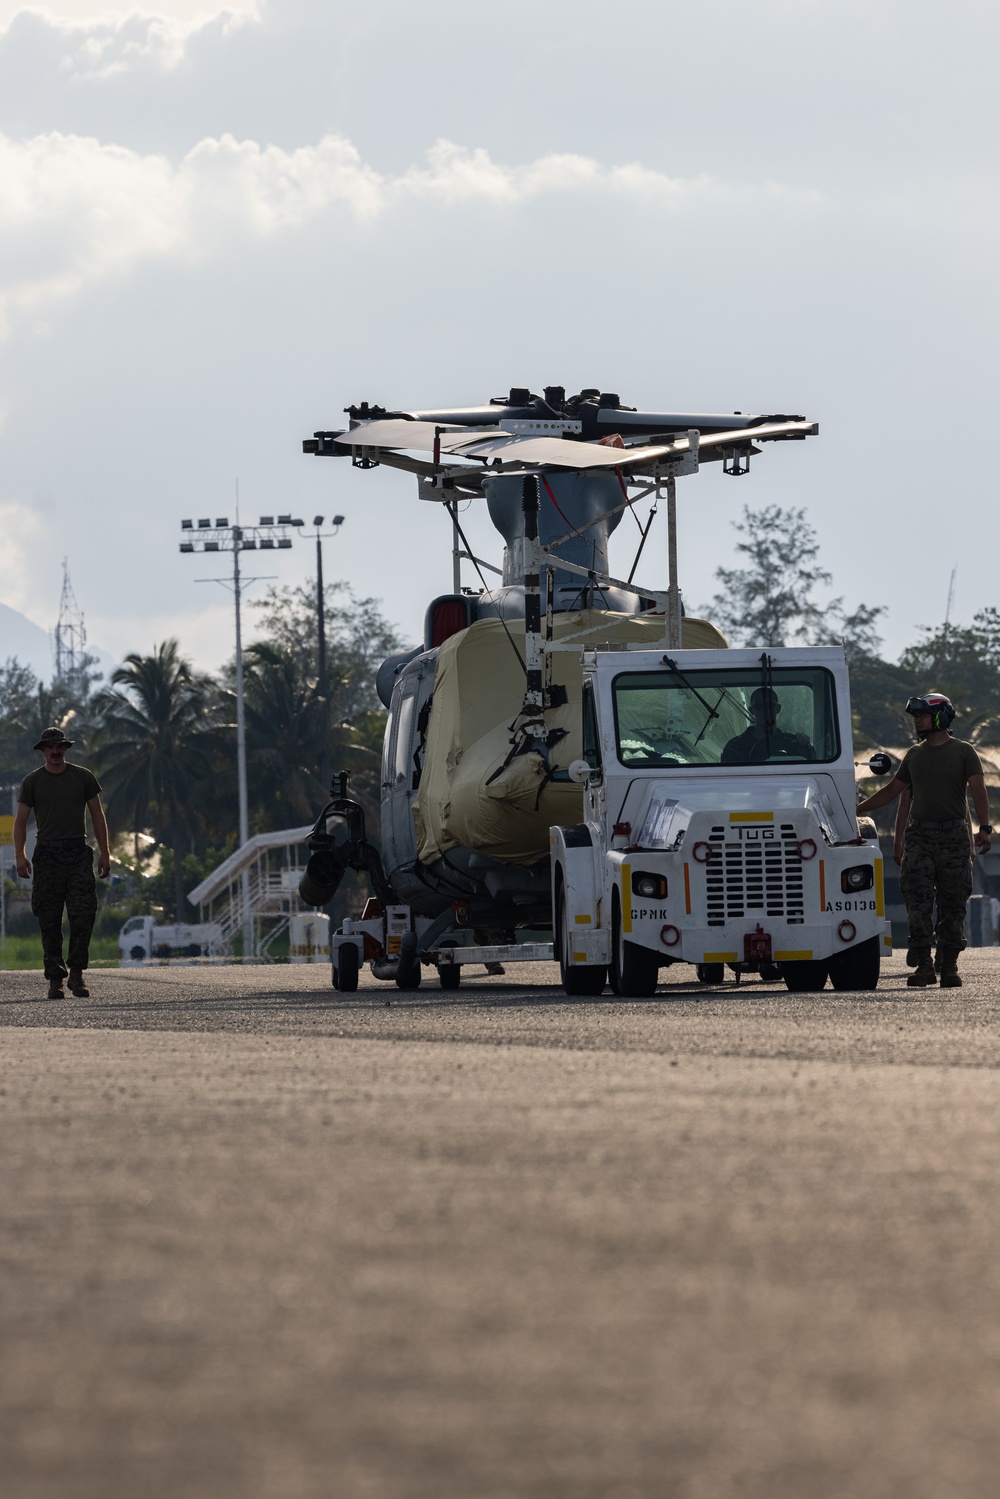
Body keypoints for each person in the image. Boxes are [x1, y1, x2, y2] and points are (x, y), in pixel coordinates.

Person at [857, 693, 991, 989]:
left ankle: (950, 965)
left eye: (921, 715)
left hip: (954, 835)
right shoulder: (914, 755)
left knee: (953, 902)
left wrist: (984, 828)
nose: (916, 720)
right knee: (917, 901)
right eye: (915, 716)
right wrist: (856, 809)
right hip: (920, 836)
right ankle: (925, 966)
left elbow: (978, 791)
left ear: (941, 716)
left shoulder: (964, 751)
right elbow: (893, 791)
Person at [13, 727, 111, 1000]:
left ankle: (77, 973)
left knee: (83, 914)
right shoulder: (32, 782)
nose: (55, 752)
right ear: (43, 750)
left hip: (77, 853)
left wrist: (105, 852)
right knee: (49, 918)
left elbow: (97, 815)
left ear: (66, 749)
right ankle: (55, 979)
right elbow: (21, 821)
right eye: (50, 747)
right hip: (47, 856)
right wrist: (20, 855)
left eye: (60, 747)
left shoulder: (83, 777)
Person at [721, 687, 814, 764]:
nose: (765, 710)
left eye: (770, 704)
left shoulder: (792, 743)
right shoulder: (735, 747)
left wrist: (802, 747)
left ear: (778, 708)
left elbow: (810, 769)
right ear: (751, 710)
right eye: (759, 705)